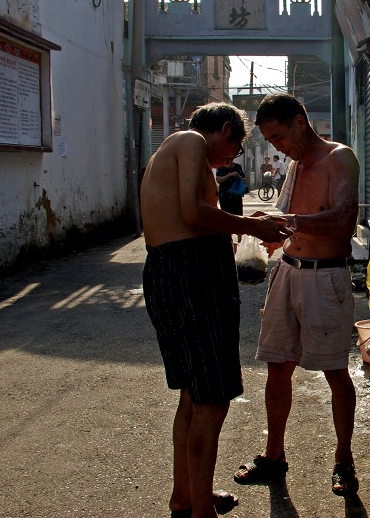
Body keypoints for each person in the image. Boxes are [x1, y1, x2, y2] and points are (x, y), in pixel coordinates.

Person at [140, 102, 292, 518]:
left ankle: (188, 498)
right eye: (235, 147)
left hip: (177, 274)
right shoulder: (189, 141)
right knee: (210, 400)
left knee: (193, 396)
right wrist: (252, 227)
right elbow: (193, 213)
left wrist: (232, 236)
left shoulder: (172, 154)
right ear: (225, 129)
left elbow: (185, 219)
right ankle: (200, 510)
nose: (231, 158)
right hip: (190, 281)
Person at [233, 93, 361, 496]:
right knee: (277, 366)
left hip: (326, 278)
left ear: (300, 123)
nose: (276, 146)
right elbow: (287, 223)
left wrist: (285, 220)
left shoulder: (340, 158)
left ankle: (344, 459)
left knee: (335, 371)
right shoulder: (294, 166)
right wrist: (265, 235)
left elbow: (342, 221)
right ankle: (274, 456)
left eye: (278, 136)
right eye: (269, 141)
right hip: (288, 274)